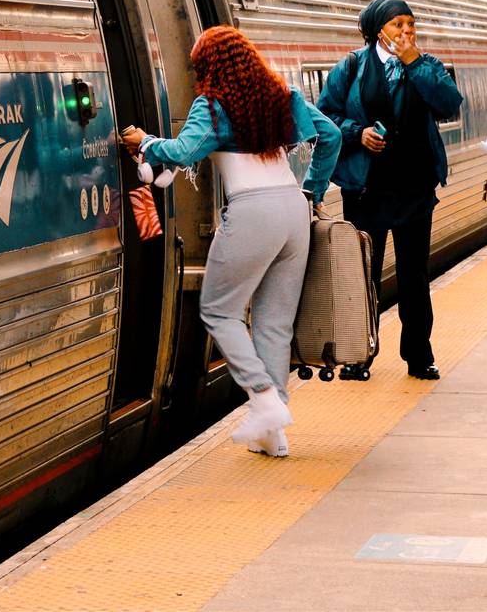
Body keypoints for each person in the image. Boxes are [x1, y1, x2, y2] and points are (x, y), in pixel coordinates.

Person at [119, 26, 340, 458]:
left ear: (209, 67)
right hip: (293, 208)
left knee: (218, 311)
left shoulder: (213, 107)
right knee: (274, 324)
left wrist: (144, 141)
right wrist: (313, 190)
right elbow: (329, 136)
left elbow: (184, 151)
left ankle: (262, 399)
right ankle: (272, 434)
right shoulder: (283, 96)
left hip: (253, 211)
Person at [317, 0, 462, 380]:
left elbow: (449, 105)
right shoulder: (351, 67)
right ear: (378, 30)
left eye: (411, 24)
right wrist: (356, 133)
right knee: (363, 275)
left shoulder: (427, 66)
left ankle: (419, 355)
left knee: (415, 276)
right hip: (367, 190)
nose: (407, 31)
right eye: (398, 24)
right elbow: (325, 115)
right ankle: (358, 355)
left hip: (414, 188)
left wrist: (414, 61)